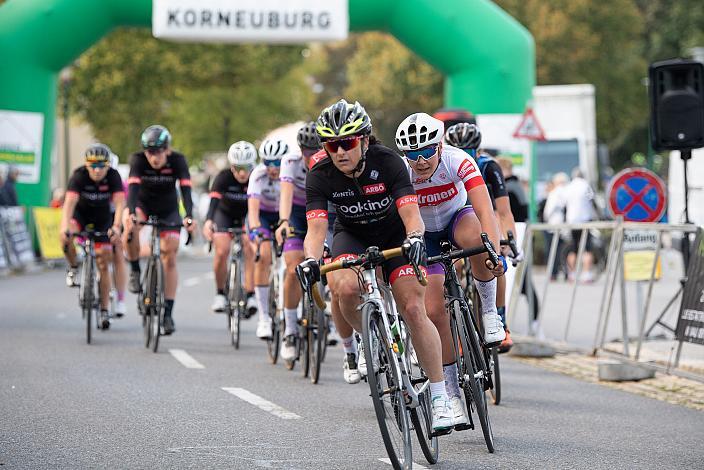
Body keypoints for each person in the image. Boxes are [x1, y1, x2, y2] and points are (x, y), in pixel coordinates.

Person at [297, 99, 455, 433]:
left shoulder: (388, 163)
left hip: (395, 234)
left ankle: (441, 398)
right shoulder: (320, 173)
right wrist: (310, 260)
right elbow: (316, 229)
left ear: (365, 140)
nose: (340, 152)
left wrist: (414, 237)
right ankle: (374, 336)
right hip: (351, 236)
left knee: (413, 307)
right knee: (343, 288)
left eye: (347, 142)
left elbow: (411, 213)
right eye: (332, 145)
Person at [397, 114, 505, 427]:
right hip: (425, 237)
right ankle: (452, 391)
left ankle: (489, 312)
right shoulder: (403, 173)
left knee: (476, 237)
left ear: (440, 145)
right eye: (412, 155)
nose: (419, 161)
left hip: (458, 218)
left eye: (426, 152)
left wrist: (493, 253)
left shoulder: (459, 161)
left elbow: (486, 209)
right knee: (434, 311)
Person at [445, 122, 521, 353]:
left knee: (497, 261)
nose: (464, 157)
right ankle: (456, 321)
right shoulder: (447, 165)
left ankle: (500, 320)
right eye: (459, 151)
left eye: (469, 152)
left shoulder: (489, 167)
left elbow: (504, 211)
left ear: (477, 151)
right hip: (456, 220)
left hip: (483, 218)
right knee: (454, 267)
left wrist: (510, 242)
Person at [122, 125, 196, 335]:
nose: (154, 157)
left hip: (168, 209)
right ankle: (135, 270)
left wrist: (189, 215)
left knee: (170, 255)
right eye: (150, 152)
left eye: (158, 152)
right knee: (130, 224)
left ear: (167, 149)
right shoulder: (138, 160)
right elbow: (133, 190)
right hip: (143, 206)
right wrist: (130, 213)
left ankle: (168, 314)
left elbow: (186, 190)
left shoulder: (178, 161)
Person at [60, 144, 125, 328]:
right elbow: (70, 203)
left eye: (101, 166)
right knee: (64, 236)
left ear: (107, 165)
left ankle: (104, 310)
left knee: (104, 262)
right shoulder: (79, 175)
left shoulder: (113, 176)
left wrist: (116, 226)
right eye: (92, 166)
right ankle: (73, 266)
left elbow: (120, 203)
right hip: (81, 216)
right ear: (86, 165)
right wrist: (66, 226)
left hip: (103, 219)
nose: (97, 170)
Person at [202, 141, 257, 316]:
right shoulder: (223, 177)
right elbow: (213, 202)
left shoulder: (257, 177)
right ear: (231, 166)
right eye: (237, 167)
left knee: (250, 248)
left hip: (246, 217)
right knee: (221, 251)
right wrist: (209, 221)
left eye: (246, 167)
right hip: (224, 214)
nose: (242, 173)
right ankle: (220, 294)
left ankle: (250, 294)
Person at [497, 157, 541, 334]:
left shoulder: (507, 188)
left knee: (524, 284)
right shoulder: (516, 186)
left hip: (515, 238)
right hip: (521, 237)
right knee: (525, 285)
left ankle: (534, 323)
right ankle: (535, 323)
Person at [248, 138, 286, 340]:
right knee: (263, 256)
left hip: (283, 216)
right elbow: (253, 211)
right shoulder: (257, 174)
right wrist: (255, 230)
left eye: (277, 163)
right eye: (268, 163)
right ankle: (264, 317)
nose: (273, 168)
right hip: (263, 216)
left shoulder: (289, 174)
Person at [564, 167, 596, 282]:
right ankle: (586, 274)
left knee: (573, 248)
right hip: (584, 220)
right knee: (587, 248)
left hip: (572, 221)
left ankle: (572, 274)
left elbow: (564, 204)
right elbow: (592, 200)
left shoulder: (569, 186)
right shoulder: (585, 185)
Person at [542, 172, 569, 280]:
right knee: (564, 251)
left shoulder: (554, 193)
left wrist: (546, 220)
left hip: (553, 226)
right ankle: (567, 272)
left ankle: (553, 273)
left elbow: (548, 211)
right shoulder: (567, 192)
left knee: (552, 251)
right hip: (564, 226)